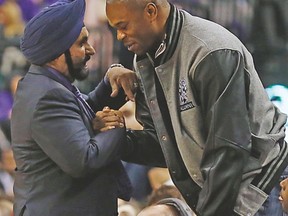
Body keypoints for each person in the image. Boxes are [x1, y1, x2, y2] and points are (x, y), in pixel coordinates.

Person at [105, 0, 288, 215]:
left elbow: (229, 147)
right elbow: (164, 145)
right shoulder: (144, 59)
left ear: (151, 11)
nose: (119, 36)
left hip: (259, 188)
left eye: (123, 26)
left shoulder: (210, 51)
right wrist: (116, 139)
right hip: (222, 187)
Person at [11, 0, 138, 215]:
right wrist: (115, 125)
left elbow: (77, 113)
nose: (91, 50)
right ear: (58, 52)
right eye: (82, 43)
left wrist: (110, 82)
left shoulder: (44, 83)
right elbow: (84, 160)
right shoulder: (47, 95)